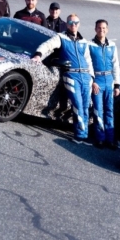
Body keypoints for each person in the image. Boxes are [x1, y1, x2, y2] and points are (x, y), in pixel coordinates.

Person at [31, 14, 94, 145]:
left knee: (85, 105)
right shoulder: (61, 37)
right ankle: (79, 135)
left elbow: (89, 61)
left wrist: (92, 77)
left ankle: (84, 134)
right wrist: (38, 55)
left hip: (86, 76)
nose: (74, 25)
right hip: (71, 75)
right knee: (77, 104)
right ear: (67, 23)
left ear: (79, 24)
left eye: (76, 22)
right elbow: (47, 45)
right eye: (71, 22)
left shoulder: (84, 42)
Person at [88, 19, 120, 149]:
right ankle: (100, 138)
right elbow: (87, 65)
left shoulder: (112, 45)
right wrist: (92, 82)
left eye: (104, 28)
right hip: (97, 80)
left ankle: (110, 139)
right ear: (95, 29)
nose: (101, 30)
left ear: (107, 29)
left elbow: (116, 65)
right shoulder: (90, 45)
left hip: (109, 80)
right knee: (98, 110)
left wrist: (117, 85)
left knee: (109, 111)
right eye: (99, 28)